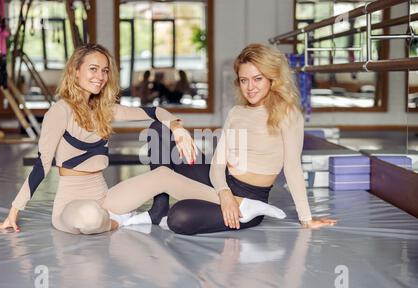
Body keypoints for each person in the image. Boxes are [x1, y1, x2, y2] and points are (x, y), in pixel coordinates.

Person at [0, 43, 277, 235]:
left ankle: (240, 204)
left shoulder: (106, 109)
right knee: (89, 217)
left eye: (104, 70)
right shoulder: (58, 112)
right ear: (75, 71)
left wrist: (176, 127)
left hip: (105, 197)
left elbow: (154, 111)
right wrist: (14, 211)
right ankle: (118, 222)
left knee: (163, 173)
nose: (100, 76)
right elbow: (41, 164)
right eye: (92, 69)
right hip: (72, 206)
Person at [125, 43, 337, 234]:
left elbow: (292, 167)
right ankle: (158, 209)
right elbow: (217, 165)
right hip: (219, 181)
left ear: (273, 78)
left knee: (179, 218)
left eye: (258, 79)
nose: (250, 87)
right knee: (159, 129)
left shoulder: (288, 113)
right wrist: (224, 193)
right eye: (244, 80)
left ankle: (236, 206)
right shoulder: (237, 112)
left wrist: (306, 219)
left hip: (251, 196)